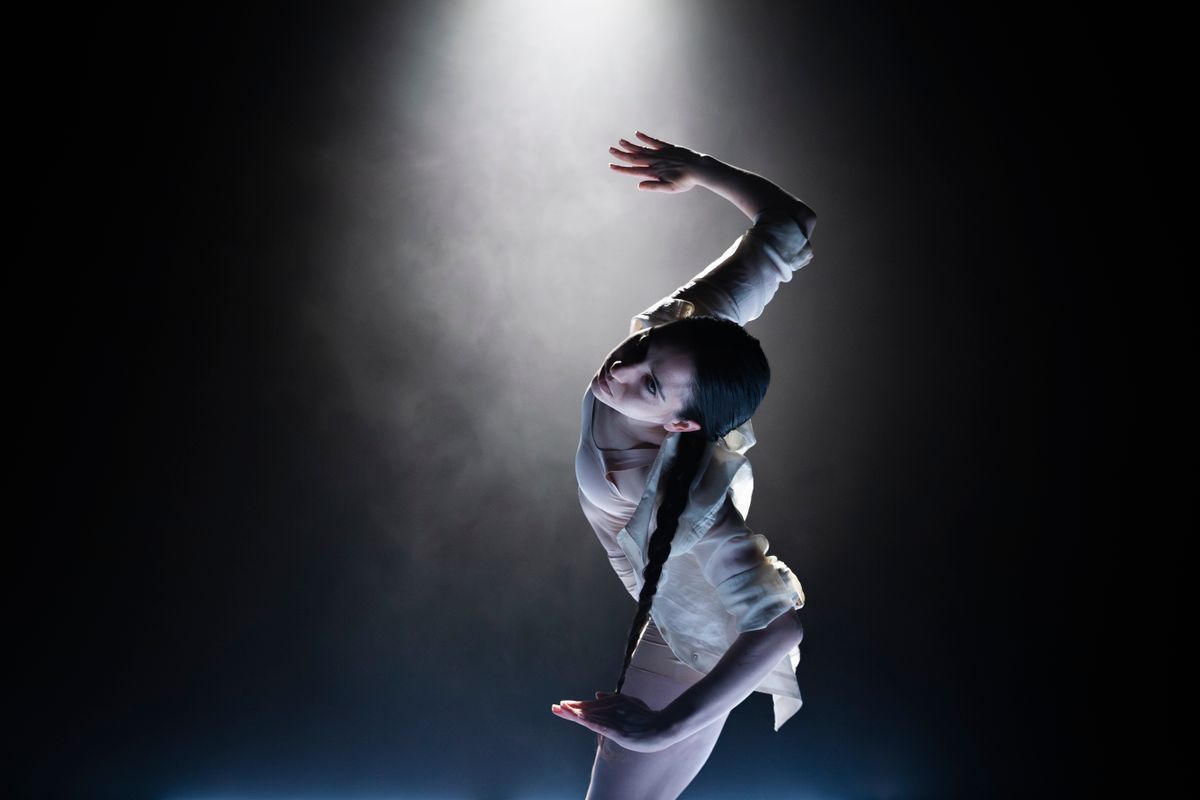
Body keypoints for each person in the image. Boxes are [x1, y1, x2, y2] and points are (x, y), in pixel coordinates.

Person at [551, 131, 817, 799]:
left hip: (696, 638)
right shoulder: (686, 330)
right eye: (645, 351)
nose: (620, 371)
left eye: (648, 386)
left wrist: (663, 729)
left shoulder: (686, 495)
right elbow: (789, 222)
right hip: (665, 604)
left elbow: (779, 625)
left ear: (682, 425)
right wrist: (700, 169)